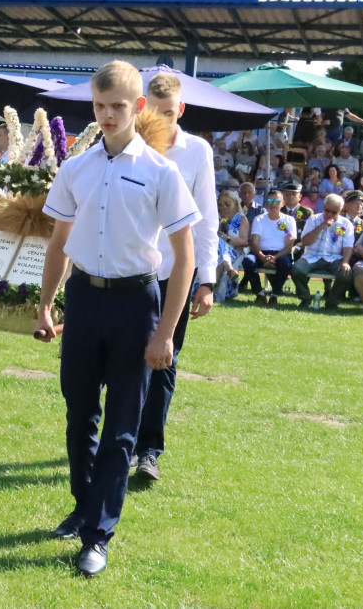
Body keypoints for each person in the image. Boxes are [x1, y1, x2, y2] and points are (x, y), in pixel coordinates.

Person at [35, 60, 198, 578]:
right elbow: (59, 242)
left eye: (118, 107)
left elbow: (184, 256)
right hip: (84, 298)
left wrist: (166, 332)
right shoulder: (74, 168)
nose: (107, 115)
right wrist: (45, 302)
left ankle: (98, 535)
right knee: (79, 411)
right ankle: (84, 508)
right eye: (100, 106)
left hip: (136, 303)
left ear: (139, 107)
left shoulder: (160, 171)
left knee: (122, 427)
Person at [133, 72, 217, 482]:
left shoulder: (197, 151)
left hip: (175, 275)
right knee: (126, 363)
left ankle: (149, 451)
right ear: (141, 107)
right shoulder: (126, 145)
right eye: (154, 111)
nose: (162, 120)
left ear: (180, 109)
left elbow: (207, 219)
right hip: (129, 272)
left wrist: (207, 280)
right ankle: (122, 439)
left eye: (169, 112)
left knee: (164, 361)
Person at [291, 193, 354, 309]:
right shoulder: (313, 219)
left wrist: (345, 262)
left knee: (346, 274)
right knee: (296, 270)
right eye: (327, 210)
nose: (329, 214)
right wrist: (320, 227)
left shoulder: (346, 224)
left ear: (340, 211)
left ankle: (332, 302)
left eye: (334, 212)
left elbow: (348, 246)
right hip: (311, 256)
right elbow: (305, 242)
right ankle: (305, 298)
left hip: (334, 258)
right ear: (323, 207)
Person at [240, 190, 297, 305]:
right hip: (261, 252)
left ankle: (274, 294)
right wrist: (262, 257)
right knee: (248, 261)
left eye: (277, 201)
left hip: (281, 253)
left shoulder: (289, 220)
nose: (273, 204)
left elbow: (289, 245)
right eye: (270, 201)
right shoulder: (259, 219)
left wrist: (275, 257)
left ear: (282, 204)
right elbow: (254, 241)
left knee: (285, 264)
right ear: (266, 204)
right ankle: (259, 293)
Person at [214, 190, 250, 300]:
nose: (223, 207)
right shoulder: (215, 218)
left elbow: (244, 241)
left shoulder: (241, 219)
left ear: (235, 204)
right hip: (215, 251)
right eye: (220, 204)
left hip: (236, 250)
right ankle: (228, 268)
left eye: (227, 204)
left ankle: (211, 292)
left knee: (221, 241)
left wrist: (226, 238)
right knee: (219, 246)